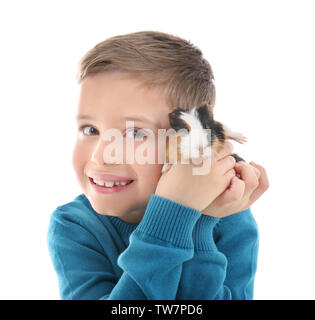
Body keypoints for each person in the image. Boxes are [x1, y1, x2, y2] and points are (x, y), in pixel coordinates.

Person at [47, 30, 269, 300]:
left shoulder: (229, 215)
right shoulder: (75, 226)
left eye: (134, 133)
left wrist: (200, 223)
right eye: (91, 129)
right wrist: (176, 214)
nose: (100, 156)